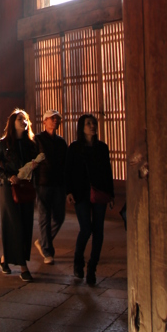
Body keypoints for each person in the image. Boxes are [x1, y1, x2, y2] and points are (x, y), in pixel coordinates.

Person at [0, 108, 39, 282]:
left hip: (25, 186)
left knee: (25, 225)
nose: (23, 121)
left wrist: (34, 167)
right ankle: (23, 267)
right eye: (19, 119)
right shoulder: (3, 144)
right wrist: (8, 176)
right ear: (12, 122)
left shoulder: (30, 144)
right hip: (8, 188)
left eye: (25, 119)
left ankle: (5, 259)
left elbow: (36, 163)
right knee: (15, 224)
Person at [65, 113, 114, 286]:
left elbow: (108, 171)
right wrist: (68, 191)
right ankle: (78, 261)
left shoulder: (102, 148)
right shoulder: (74, 148)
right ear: (81, 127)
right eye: (88, 123)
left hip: (100, 191)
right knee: (86, 229)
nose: (92, 126)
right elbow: (68, 171)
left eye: (94, 123)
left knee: (98, 231)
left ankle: (92, 267)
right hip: (81, 193)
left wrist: (111, 194)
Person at [33, 109, 67, 265]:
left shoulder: (61, 142)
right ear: (44, 121)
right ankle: (47, 251)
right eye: (52, 118)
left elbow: (66, 163)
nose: (55, 121)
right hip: (43, 182)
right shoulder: (37, 140)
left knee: (59, 217)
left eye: (57, 119)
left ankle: (42, 241)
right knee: (44, 217)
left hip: (58, 183)